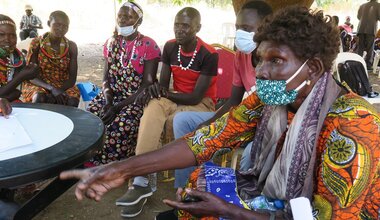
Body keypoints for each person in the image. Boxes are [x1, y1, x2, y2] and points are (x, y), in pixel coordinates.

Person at [60, 6, 380, 219]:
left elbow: (328, 216)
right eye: (261, 59)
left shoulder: (353, 124)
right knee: (201, 182)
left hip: (329, 213)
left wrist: (231, 210)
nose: (263, 71)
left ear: (312, 67)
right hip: (280, 197)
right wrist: (123, 169)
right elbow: (204, 141)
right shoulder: (270, 98)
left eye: (276, 60)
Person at [115, 7, 218, 217]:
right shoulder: (170, 47)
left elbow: (196, 98)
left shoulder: (209, 54)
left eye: (186, 26)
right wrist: (156, 91)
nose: (179, 30)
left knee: (174, 119)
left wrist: (163, 93)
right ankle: (141, 179)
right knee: (153, 106)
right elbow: (162, 86)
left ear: (198, 28)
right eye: (177, 25)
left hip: (201, 103)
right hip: (175, 97)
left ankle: (180, 189)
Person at [172, 0, 272, 190]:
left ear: (266, 27)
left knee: (252, 153)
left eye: (247, 28)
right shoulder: (241, 56)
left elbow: (274, 112)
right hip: (244, 118)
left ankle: (241, 200)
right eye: (237, 27)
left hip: (268, 127)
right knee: (183, 121)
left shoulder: (276, 61)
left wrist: (218, 127)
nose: (240, 33)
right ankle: (187, 188)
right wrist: (209, 124)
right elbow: (234, 101)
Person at [85, 2, 160, 168]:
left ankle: (109, 164)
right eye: (120, 16)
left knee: (120, 125)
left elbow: (147, 85)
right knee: (90, 116)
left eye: (129, 17)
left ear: (138, 22)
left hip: (136, 99)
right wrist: (109, 101)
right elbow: (105, 79)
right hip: (112, 96)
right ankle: (89, 158)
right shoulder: (111, 43)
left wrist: (117, 107)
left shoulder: (148, 45)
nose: (123, 20)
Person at [21, 11, 80, 107]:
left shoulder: (71, 46)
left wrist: (59, 90)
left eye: (65, 26)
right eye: (57, 24)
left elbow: (72, 79)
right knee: (40, 98)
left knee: (72, 101)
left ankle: (65, 122)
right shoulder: (37, 43)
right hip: (39, 83)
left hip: (63, 84)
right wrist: (51, 89)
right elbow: (31, 76)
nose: (61, 29)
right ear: (49, 24)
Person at [0, 14, 39, 102]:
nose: (7, 39)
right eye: (1, 34)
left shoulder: (16, 58)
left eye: (12, 35)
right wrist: (21, 77)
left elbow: (17, 92)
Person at [357, 0, 380, 69]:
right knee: (370, 47)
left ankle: (358, 63)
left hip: (361, 28)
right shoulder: (378, 5)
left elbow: (358, 17)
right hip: (371, 29)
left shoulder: (362, 5)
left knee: (360, 48)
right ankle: (368, 65)